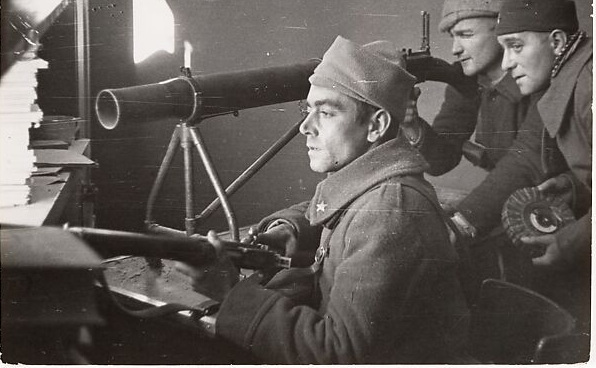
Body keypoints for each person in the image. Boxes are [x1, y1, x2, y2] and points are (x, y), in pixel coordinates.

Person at [180, 36, 469, 364]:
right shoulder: (376, 184)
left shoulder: (390, 211)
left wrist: (232, 293)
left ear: (376, 125)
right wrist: (290, 230)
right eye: (308, 110)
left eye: (326, 113)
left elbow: (337, 353)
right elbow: (339, 206)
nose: (305, 126)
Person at [455, 0, 591, 325]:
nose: (507, 63)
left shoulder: (589, 84)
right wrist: (572, 184)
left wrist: (578, 238)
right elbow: (530, 155)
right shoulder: (567, 77)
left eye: (516, 47)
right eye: (503, 49)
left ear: (558, 43)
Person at [401, 0, 533, 176]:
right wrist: (411, 125)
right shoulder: (467, 83)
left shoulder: (535, 80)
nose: (455, 49)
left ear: (503, 31)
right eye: (453, 37)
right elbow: (441, 161)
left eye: (466, 35)